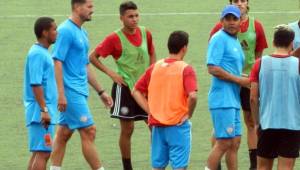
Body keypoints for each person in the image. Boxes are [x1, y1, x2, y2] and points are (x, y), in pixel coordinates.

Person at [89, 1, 156, 169]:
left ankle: (158, 162)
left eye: (136, 16)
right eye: (130, 16)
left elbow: (152, 53)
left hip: (145, 90)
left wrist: (152, 74)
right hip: (125, 89)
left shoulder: (145, 33)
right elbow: (93, 57)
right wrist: (112, 73)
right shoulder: (114, 38)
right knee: (128, 129)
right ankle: (128, 167)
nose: (134, 19)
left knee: (154, 126)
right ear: (121, 18)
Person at [49, 0, 113, 170]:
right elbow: (57, 62)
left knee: (63, 133)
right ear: (77, 7)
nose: (93, 10)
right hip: (70, 92)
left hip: (80, 90)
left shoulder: (82, 32)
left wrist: (101, 91)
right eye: (89, 7)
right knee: (89, 130)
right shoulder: (65, 31)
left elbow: (85, 65)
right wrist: (61, 94)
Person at [209, 1, 268, 169]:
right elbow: (213, 61)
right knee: (222, 131)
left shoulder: (255, 26)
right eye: (236, 1)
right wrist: (239, 79)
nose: (240, 3)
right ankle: (216, 163)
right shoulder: (219, 33)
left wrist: (252, 78)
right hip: (229, 85)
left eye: (243, 0)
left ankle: (253, 164)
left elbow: (258, 55)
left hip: (247, 82)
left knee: (247, 124)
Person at [132, 30, 197, 170]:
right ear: (184, 48)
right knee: (179, 167)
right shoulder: (186, 69)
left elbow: (135, 91)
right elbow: (193, 96)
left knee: (158, 167)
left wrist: (150, 110)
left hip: (157, 127)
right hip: (177, 126)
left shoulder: (154, 67)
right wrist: (188, 114)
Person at [250, 24, 300, 170]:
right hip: (292, 125)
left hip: (267, 123)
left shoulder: (259, 64)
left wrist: (256, 122)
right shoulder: (298, 64)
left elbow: (253, 98)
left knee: (263, 167)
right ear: (292, 44)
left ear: (273, 42)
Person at [205, 5, 250, 170]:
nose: (231, 22)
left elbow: (234, 71)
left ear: (241, 22)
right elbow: (212, 68)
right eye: (227, 19)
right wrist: (239, 80)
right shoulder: (219, 38)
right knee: (224, 143)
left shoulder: (235, 41)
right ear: (221, 21)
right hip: (222, 99)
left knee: (235, 143)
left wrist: (250, 79)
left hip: (233, 99)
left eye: (234, 19)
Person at [23, 16, 58, 170]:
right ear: (45, 32)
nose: (57, 32)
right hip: (41, 111)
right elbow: (35, 84)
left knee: (39, 152)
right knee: (43, 153)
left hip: (43, 109)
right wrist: (44, 110)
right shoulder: (37, 54)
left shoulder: (42, 52)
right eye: (54, 29)